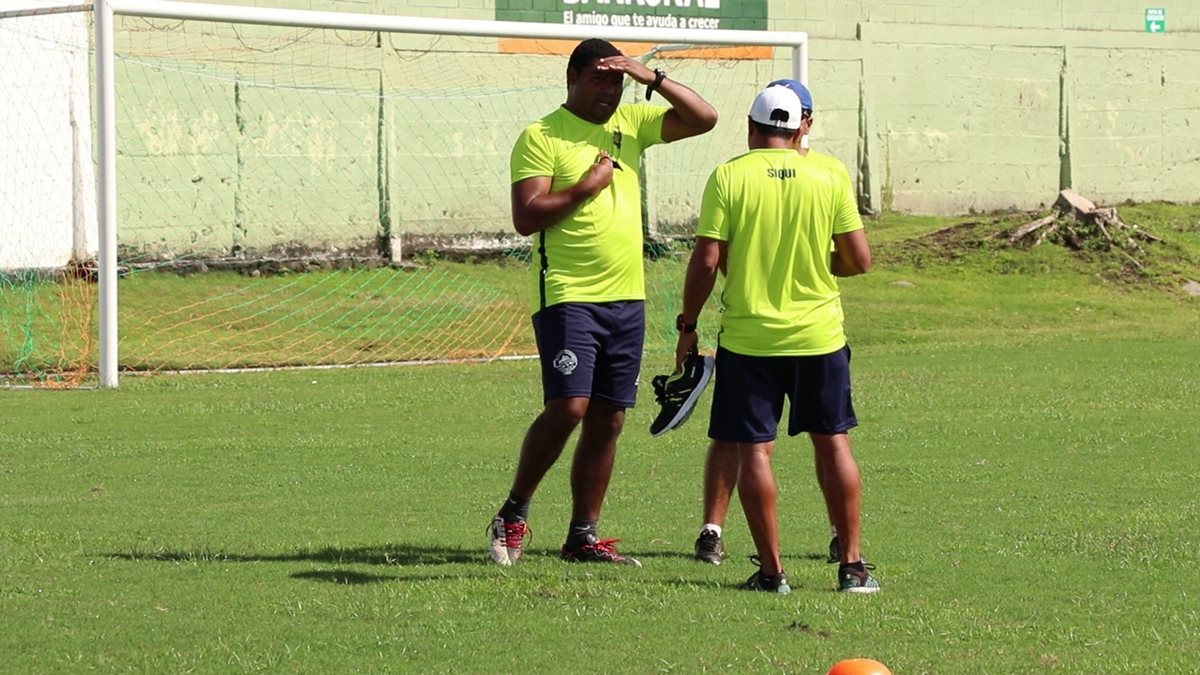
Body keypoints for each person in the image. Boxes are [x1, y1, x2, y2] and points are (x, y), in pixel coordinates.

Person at [488, 38, 718, 567]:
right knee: (571, 405)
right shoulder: (541, 136)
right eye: (600, 80)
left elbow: (704, 118)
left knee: (610, 418)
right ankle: (513, 512)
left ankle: (583, 536)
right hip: (568, 294)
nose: (610, 91)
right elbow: (527, 217)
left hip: (626, 298)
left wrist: (649, 77)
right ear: (572, 79)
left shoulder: (631, 125)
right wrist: (586, 188)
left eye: (616, 81)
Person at [674, 84, 878, 593]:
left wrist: (688, 324)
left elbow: (706, 260)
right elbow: (859, 260)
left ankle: (772, 573)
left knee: (755, 453)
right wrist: (815, 263)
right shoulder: (827, 176)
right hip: (820, 336)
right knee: (834, 443)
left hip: (750, 340)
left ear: (750, 126)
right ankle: (852, 567)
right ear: (800, 128)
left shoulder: (729, 176)